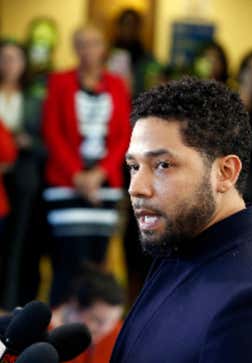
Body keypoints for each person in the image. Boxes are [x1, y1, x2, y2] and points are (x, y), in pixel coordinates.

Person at [111, 78, 252, 362]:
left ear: (225, 172)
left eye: (162, 165)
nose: (136, 187)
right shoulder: (179, 247)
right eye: (134, 166)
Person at [42, 24, 131, 306]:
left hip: (104, 185)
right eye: (81, 43)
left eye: (93, 43)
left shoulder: (117, 84)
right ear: (74, 48)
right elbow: (52, 131)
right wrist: (79, 177)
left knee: (97, 260)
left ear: (102, 48)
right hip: (65, 184)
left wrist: (99, 174)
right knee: (67, 259)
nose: (88, 50)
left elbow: (123, 135)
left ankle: (91, 329)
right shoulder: (59, 81)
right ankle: (57, 327)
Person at [0, 40, 47, 309]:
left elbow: (45, 144)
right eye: (4, 58)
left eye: (15, 59)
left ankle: (10, 301)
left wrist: (28, 142)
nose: (9, 65)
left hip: (22, 175)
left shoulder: (33, 97)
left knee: (17, 242)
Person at [50, 265, 124, 363]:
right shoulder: (43, 337)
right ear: (75, 304)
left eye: (113, 321)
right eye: (97, 320)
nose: (105, 328)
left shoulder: (117, 331)